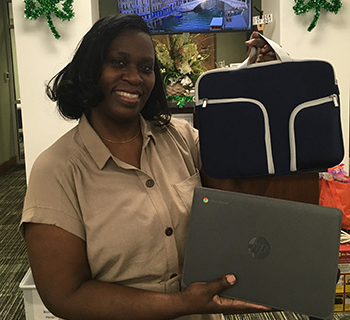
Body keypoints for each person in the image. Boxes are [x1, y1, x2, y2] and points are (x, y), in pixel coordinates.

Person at [20, 14, 275, 320]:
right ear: (91, 70)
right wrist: (182, 304)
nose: (135, 77)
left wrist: (261, 84)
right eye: (118, 62)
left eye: (145, 67)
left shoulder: (182, 139)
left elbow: (240, 203)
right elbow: (64, 295)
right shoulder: (57, 170)